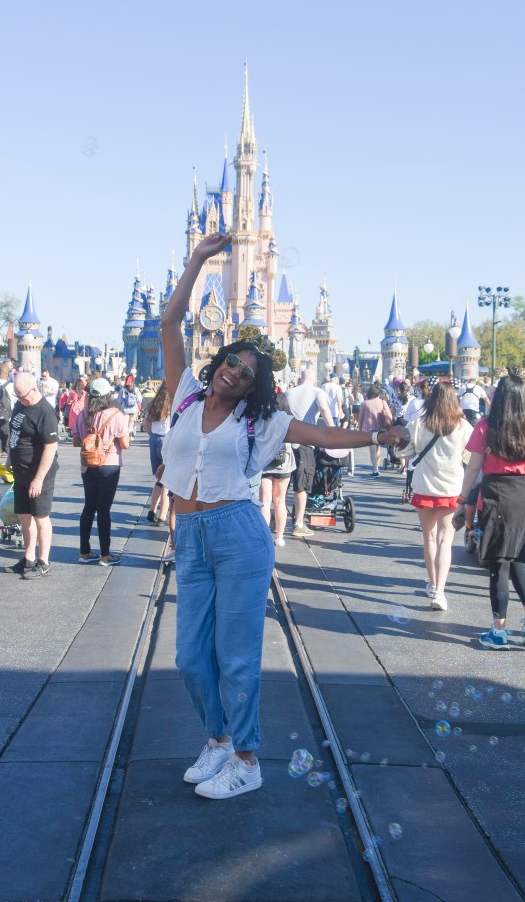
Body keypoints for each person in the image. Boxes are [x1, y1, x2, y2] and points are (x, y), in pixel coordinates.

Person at [159, 232, 407, 801]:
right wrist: (198, 259)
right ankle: (218, 739)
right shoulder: (184, 397)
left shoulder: (259, 419)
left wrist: (377, 436)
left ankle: (247, 760)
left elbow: (321, 433)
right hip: (190, 535)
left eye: (247, 371)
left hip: (239, 536)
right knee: (191, 658)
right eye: (231, 362)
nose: (234, 373)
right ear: (217, 361)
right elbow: (171, 325)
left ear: (255, 383)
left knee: (236, 655)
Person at [453, 373, 525, 649]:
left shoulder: (487, 425)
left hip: (497, 494)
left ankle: (499, 631)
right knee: (521, 557)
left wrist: (462, 501)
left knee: (499, 563)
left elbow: (473, 468)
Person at [397, 382, 473, 611]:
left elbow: (404, 452)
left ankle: (431, 583)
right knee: (445, 541)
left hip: (424, 486)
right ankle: (440, 591)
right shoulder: (462, 426)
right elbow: (470, 458)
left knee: (428, 538)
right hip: (451, 488)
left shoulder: (419, 423)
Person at [5, 372, 60, 579]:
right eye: (17, 396)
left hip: (39, 473)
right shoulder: (20, 405)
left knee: (40, 517)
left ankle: (44, 561)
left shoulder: (45, 412)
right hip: (20, 471)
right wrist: (9, 459)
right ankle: (28, 558)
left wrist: (38, 479)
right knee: (24, 516)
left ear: (35, 389)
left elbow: (50, 447)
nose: (20, 400)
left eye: (23, 396)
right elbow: (15, 434)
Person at [72, 378, 129, 565]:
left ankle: (84, 552)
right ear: (108, 395)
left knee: (89, 508)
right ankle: (105, 555)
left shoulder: (83, 414)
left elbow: (76, 441)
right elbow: (125, 444)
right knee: (104, 510)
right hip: (109, 465)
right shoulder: (116, 415)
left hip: (88, 466)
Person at [285, 369, 334, 537]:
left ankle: (278, 520)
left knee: (283, 485)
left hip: (285, 443)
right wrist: (332, 430)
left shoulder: (287, 392)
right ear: (314, 381)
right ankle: (298, 523)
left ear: (299, 379)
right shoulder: (317, 391)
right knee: (301, 486)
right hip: (304, 444)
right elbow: (324, 408)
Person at [259, 392, 295, 546]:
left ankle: (265, 536)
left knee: (265, 502)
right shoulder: (288, 420)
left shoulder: (264, 417)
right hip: (284, 463)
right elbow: (296, 444)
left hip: (266, 463)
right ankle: (279, 537)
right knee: (280, 501)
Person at [143, 381, 172, 525]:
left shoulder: (155, 403)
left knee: (159, 479)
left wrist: (152, 435)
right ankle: (162, 516)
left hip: (154, 439)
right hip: (166, 440)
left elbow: (146, 423)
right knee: (167, 480)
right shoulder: (172, 404)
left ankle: (152, 511)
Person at [358, 384, 393, 476]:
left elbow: (361, 419)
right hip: (381, 428)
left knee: (372, 449)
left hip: (369, 428)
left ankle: (375, 469)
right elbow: (390, 416)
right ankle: (376, 466)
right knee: (378, 448)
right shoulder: (382, 402)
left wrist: (359, 430)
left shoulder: (365, 403)